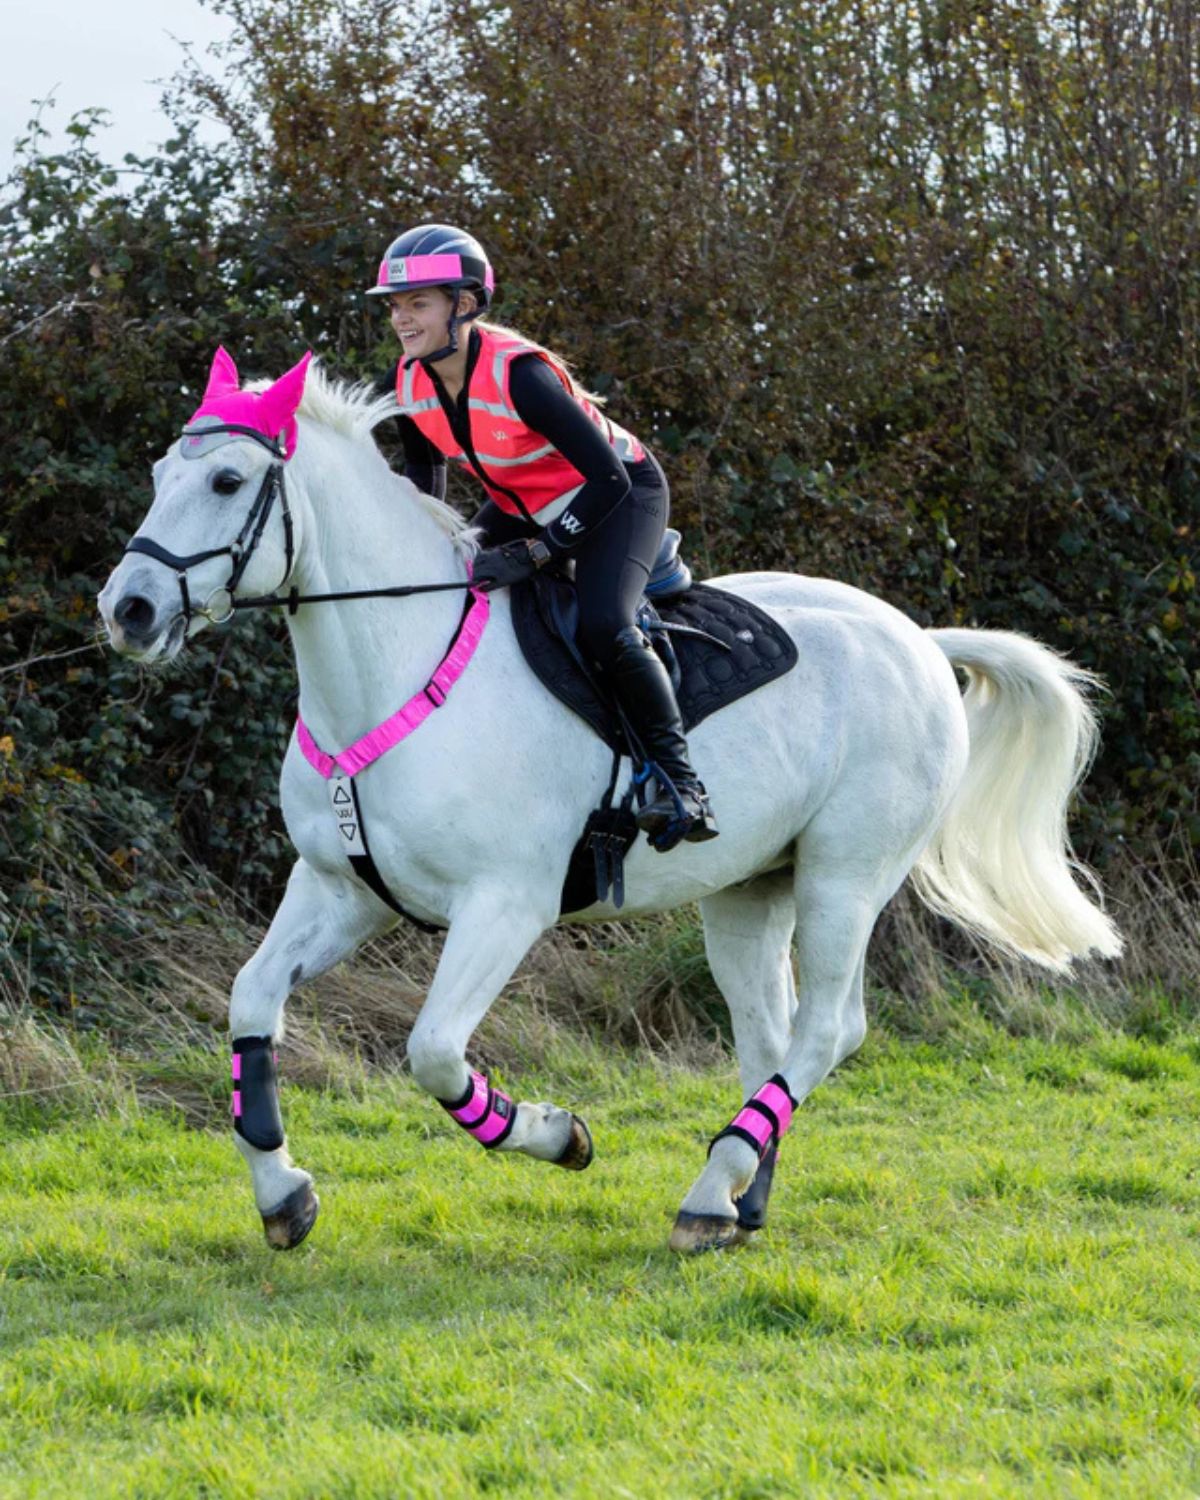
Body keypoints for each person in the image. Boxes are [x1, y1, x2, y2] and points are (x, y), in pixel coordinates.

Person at [367, 223, 717, 852]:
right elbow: (427, 477)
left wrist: (536, 554)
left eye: (418, 303)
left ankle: (681, 782)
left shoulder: (521, 375)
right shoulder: (412, 379)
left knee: (603, 624)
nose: (402, 319)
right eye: (395, 306)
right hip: (523, 500)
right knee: (454, 583)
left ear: (465, 305)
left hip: (618, 496)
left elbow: (607, 479)